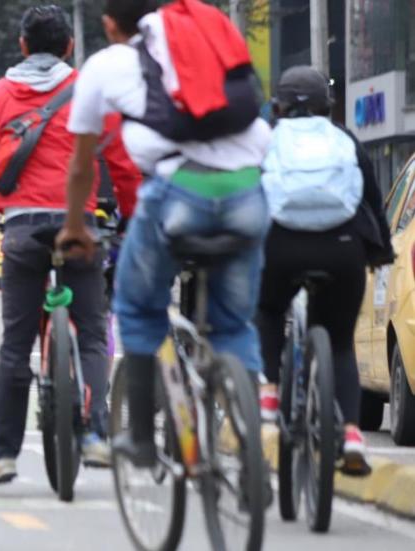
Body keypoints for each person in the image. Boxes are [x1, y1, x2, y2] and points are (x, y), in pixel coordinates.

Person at [58, 0, 272, 467]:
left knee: (136, 306)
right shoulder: (208, 43)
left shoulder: (108, 64)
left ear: (111, 24)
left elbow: (80, 165)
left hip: (178, 195)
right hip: (247, 193)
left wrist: (76, 227)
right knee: (233, 323)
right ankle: (248, 434)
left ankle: (140, 438)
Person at [0, 5, 142, 484]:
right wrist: (132, 216)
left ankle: (3, 454)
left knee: (16, 344)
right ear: (70, 46)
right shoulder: (88, 91)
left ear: (22, 45)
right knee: (94, 330)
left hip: (19, 230)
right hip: (77, 226)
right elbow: (121, 162)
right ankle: (97, 434)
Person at [256, 66, 393, 476]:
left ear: (277, 107)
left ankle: (269, 390)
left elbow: (248, 196)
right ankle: (351, 433)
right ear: (328, 106)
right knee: (339, 342)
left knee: (266, 310)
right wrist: (381, 251)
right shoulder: (346, 140)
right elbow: (372, 202)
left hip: (280, 246)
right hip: (342, 249)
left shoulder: (266, 140)